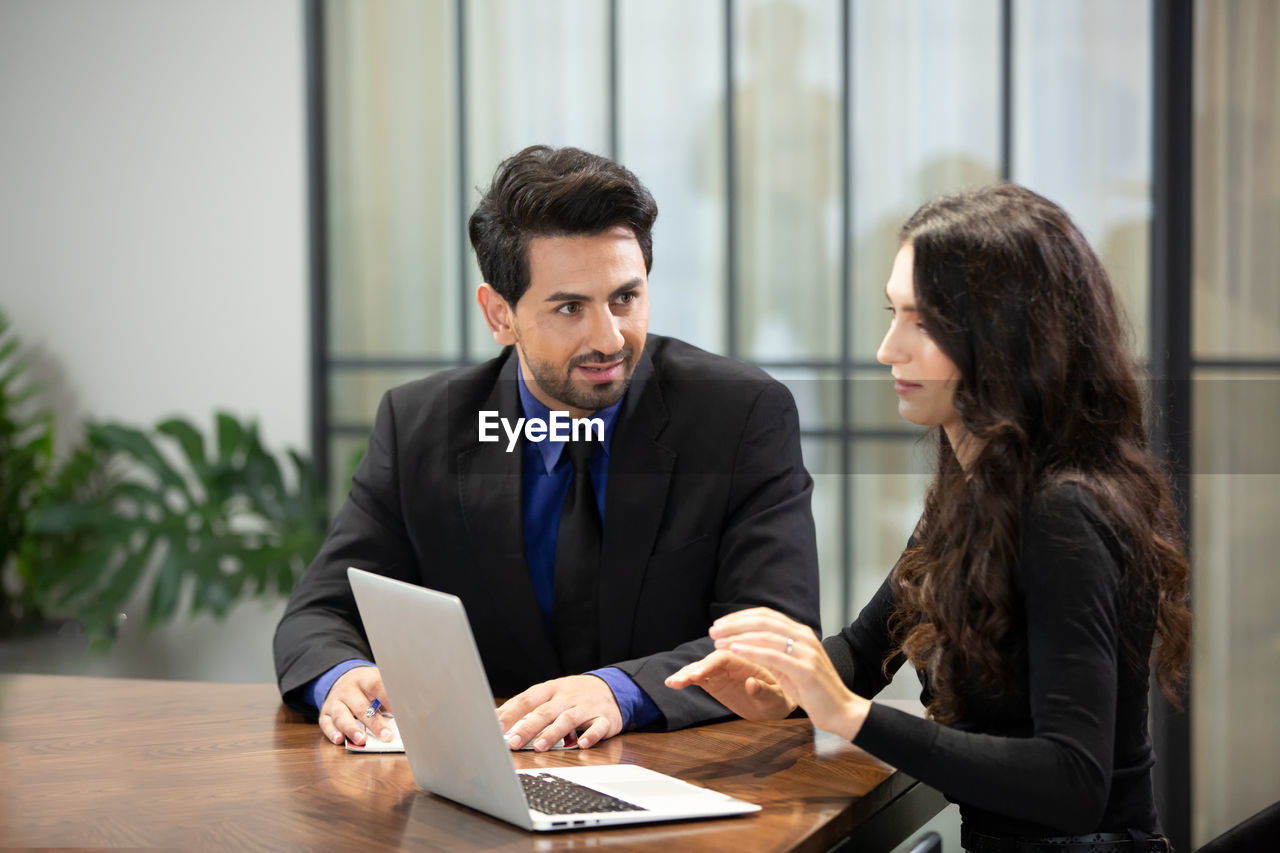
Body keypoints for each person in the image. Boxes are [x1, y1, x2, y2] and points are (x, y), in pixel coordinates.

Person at [667, 184, 1190, 849]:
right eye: (893, 313)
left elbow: (1073, 782)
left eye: (923, 320)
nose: (889, 347)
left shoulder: (1064, 511)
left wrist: (850, 715)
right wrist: (783, 685)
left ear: (1005, 336)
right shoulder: (977, 494)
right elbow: (862, 650)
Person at [274, 145, 821, 753]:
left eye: (625, 297)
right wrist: (342, 677)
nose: (609, 338)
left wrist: (621, 690)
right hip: (487, 783)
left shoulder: (739, 414)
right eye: (569, 308)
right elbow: (318, 616)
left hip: (692, 776)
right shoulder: (421, 424)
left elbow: (779, 642)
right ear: (499, 315)